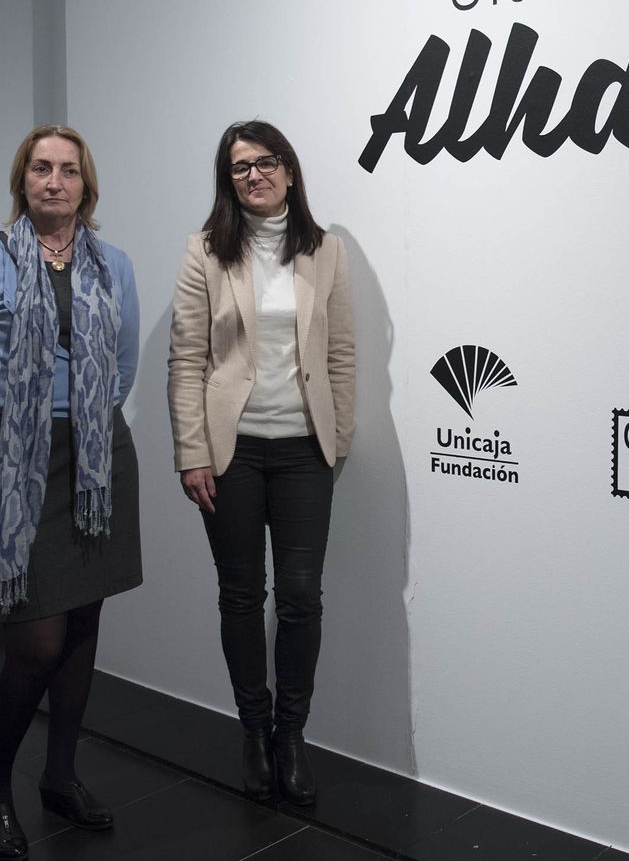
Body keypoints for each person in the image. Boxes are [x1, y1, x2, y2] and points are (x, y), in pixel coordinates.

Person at [0, 124, 142, 860]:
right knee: (35, 643)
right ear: (22, 179)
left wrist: (79, 423)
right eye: (41, 169)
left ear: (88, 185)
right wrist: (8, 431)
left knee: (82, 628)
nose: (55, 182)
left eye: (69, 171)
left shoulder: (113, 264)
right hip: (15, 457)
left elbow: (120, 368)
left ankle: (60, 776)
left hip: (96, 458)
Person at [168, 120, 355, 806]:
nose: (255, 174)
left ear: (290, 170)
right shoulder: (207, 252)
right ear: (230, 180)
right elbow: (186, 359)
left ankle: (290, 736)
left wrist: (341, 435)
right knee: (243, 595)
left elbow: (340, 354)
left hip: (305, 452)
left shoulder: (325, 250)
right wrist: (193, 451)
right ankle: (253, 729)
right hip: (232, 453)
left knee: (301, 597)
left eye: (266, 161)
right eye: (241, 167)